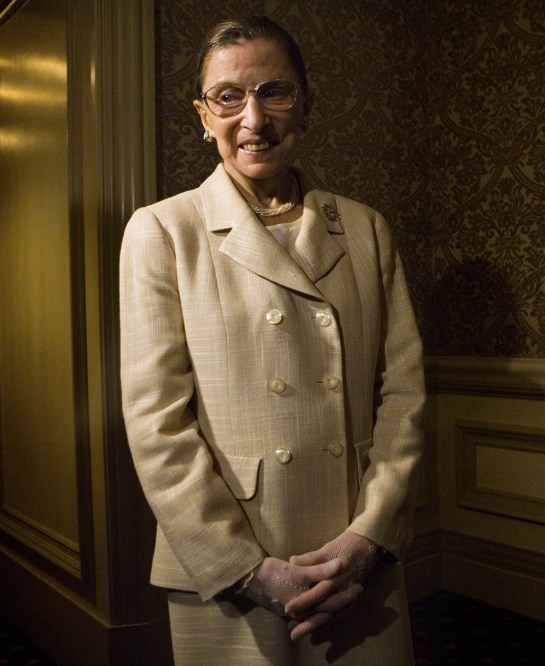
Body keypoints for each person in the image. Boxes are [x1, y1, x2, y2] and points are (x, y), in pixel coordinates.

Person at [119, 15, 425, 665]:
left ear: (306, 106)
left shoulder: (367, 231)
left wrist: (369, 537)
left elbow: (404, 398)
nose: (252, 118)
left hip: (353, 556)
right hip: (230, 566)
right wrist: (249, 571)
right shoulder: (162, 232)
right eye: (229, 96)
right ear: (204, 115)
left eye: (274, 92)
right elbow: (156, 427)